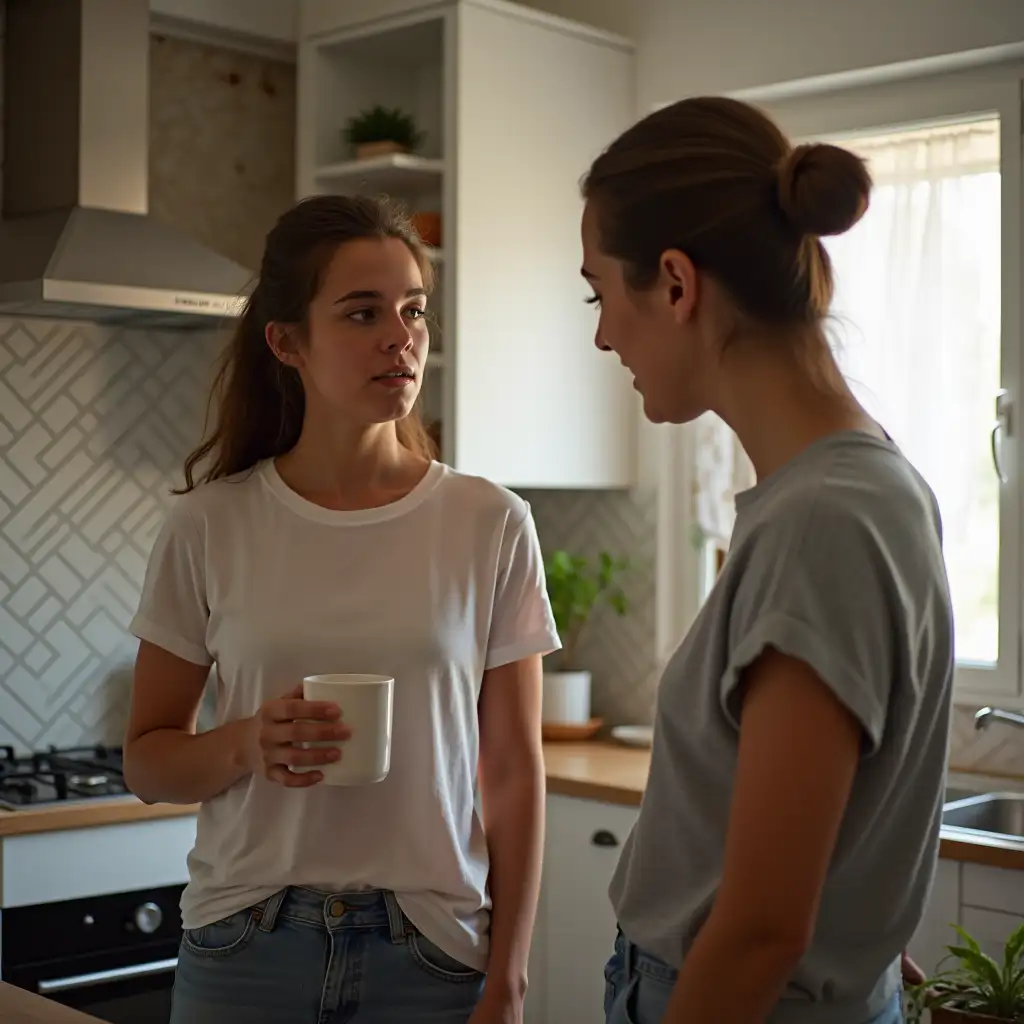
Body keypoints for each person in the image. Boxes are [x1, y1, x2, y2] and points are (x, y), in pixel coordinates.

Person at [123, 194, 559, 1024]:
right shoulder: (210, 524)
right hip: (245, 945)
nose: (401, 337)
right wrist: (247, 742)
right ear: (287, 342)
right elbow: (146, 764)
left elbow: (512, 771)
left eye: (414, 310)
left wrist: (510, 978)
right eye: (363, 313)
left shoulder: (492, 523)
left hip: (433, 951)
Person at [580, 97, 954, 1024]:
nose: (601, 337)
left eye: (600, 294)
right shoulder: (852, 488)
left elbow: (760, 931)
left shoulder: (822, 520)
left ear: (674, 282)